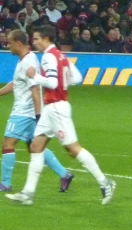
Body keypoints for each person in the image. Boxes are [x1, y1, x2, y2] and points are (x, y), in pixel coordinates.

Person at [6, 26, 115, 206]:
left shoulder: (49, 57)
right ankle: (28, 192)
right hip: (52, 107)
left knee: (73, 149)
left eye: (37, 39)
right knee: (36, 146)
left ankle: (105, 182)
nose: (34, 42)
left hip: (56, 107)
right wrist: (63, 84)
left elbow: (53, 82)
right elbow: (78, 77)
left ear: (46, 39)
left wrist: (35, 77)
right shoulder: (61, 55)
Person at [0, 30, 73, 193]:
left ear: (18, 43)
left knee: (7, 144)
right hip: (30, 112)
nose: (8, 46)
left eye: (10, 43)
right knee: (34, 146)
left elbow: (35, 89)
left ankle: (5, 183)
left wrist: (39, 116)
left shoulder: (28, 62)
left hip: (23, 112)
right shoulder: (25, 60)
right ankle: (64, 174)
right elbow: (16, 83)